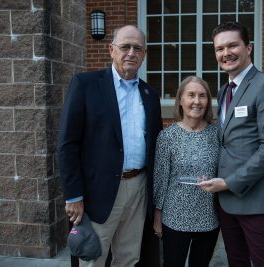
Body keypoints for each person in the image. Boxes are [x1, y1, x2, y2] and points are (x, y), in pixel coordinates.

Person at [58, 25, 163, 266]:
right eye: (125, 46)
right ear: (111, 50)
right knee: (93, 257)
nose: (131, 53)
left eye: (138, 48)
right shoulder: (86, 85)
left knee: (129, 258)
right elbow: (67, 144)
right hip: (99, 192)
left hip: (138, 188)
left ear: (144, 54)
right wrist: (73, 195)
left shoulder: (150, 94)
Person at [199, 21, 264, 266]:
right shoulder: (224, 90)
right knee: (236, 261)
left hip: (257, 201)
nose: (225, 53)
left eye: (232, 45)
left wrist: (229, 182)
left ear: (248, 48)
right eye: (219, 48)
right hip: (226, 202)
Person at [153, 76, 220, 267]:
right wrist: (157, 216)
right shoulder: (167, 136)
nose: (197, 101)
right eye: (191, 95)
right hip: (175, 217)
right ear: (181, 100)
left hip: (208, 217)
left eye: (202, 96)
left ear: (208, 101)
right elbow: (160, 178)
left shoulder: (216, 134)